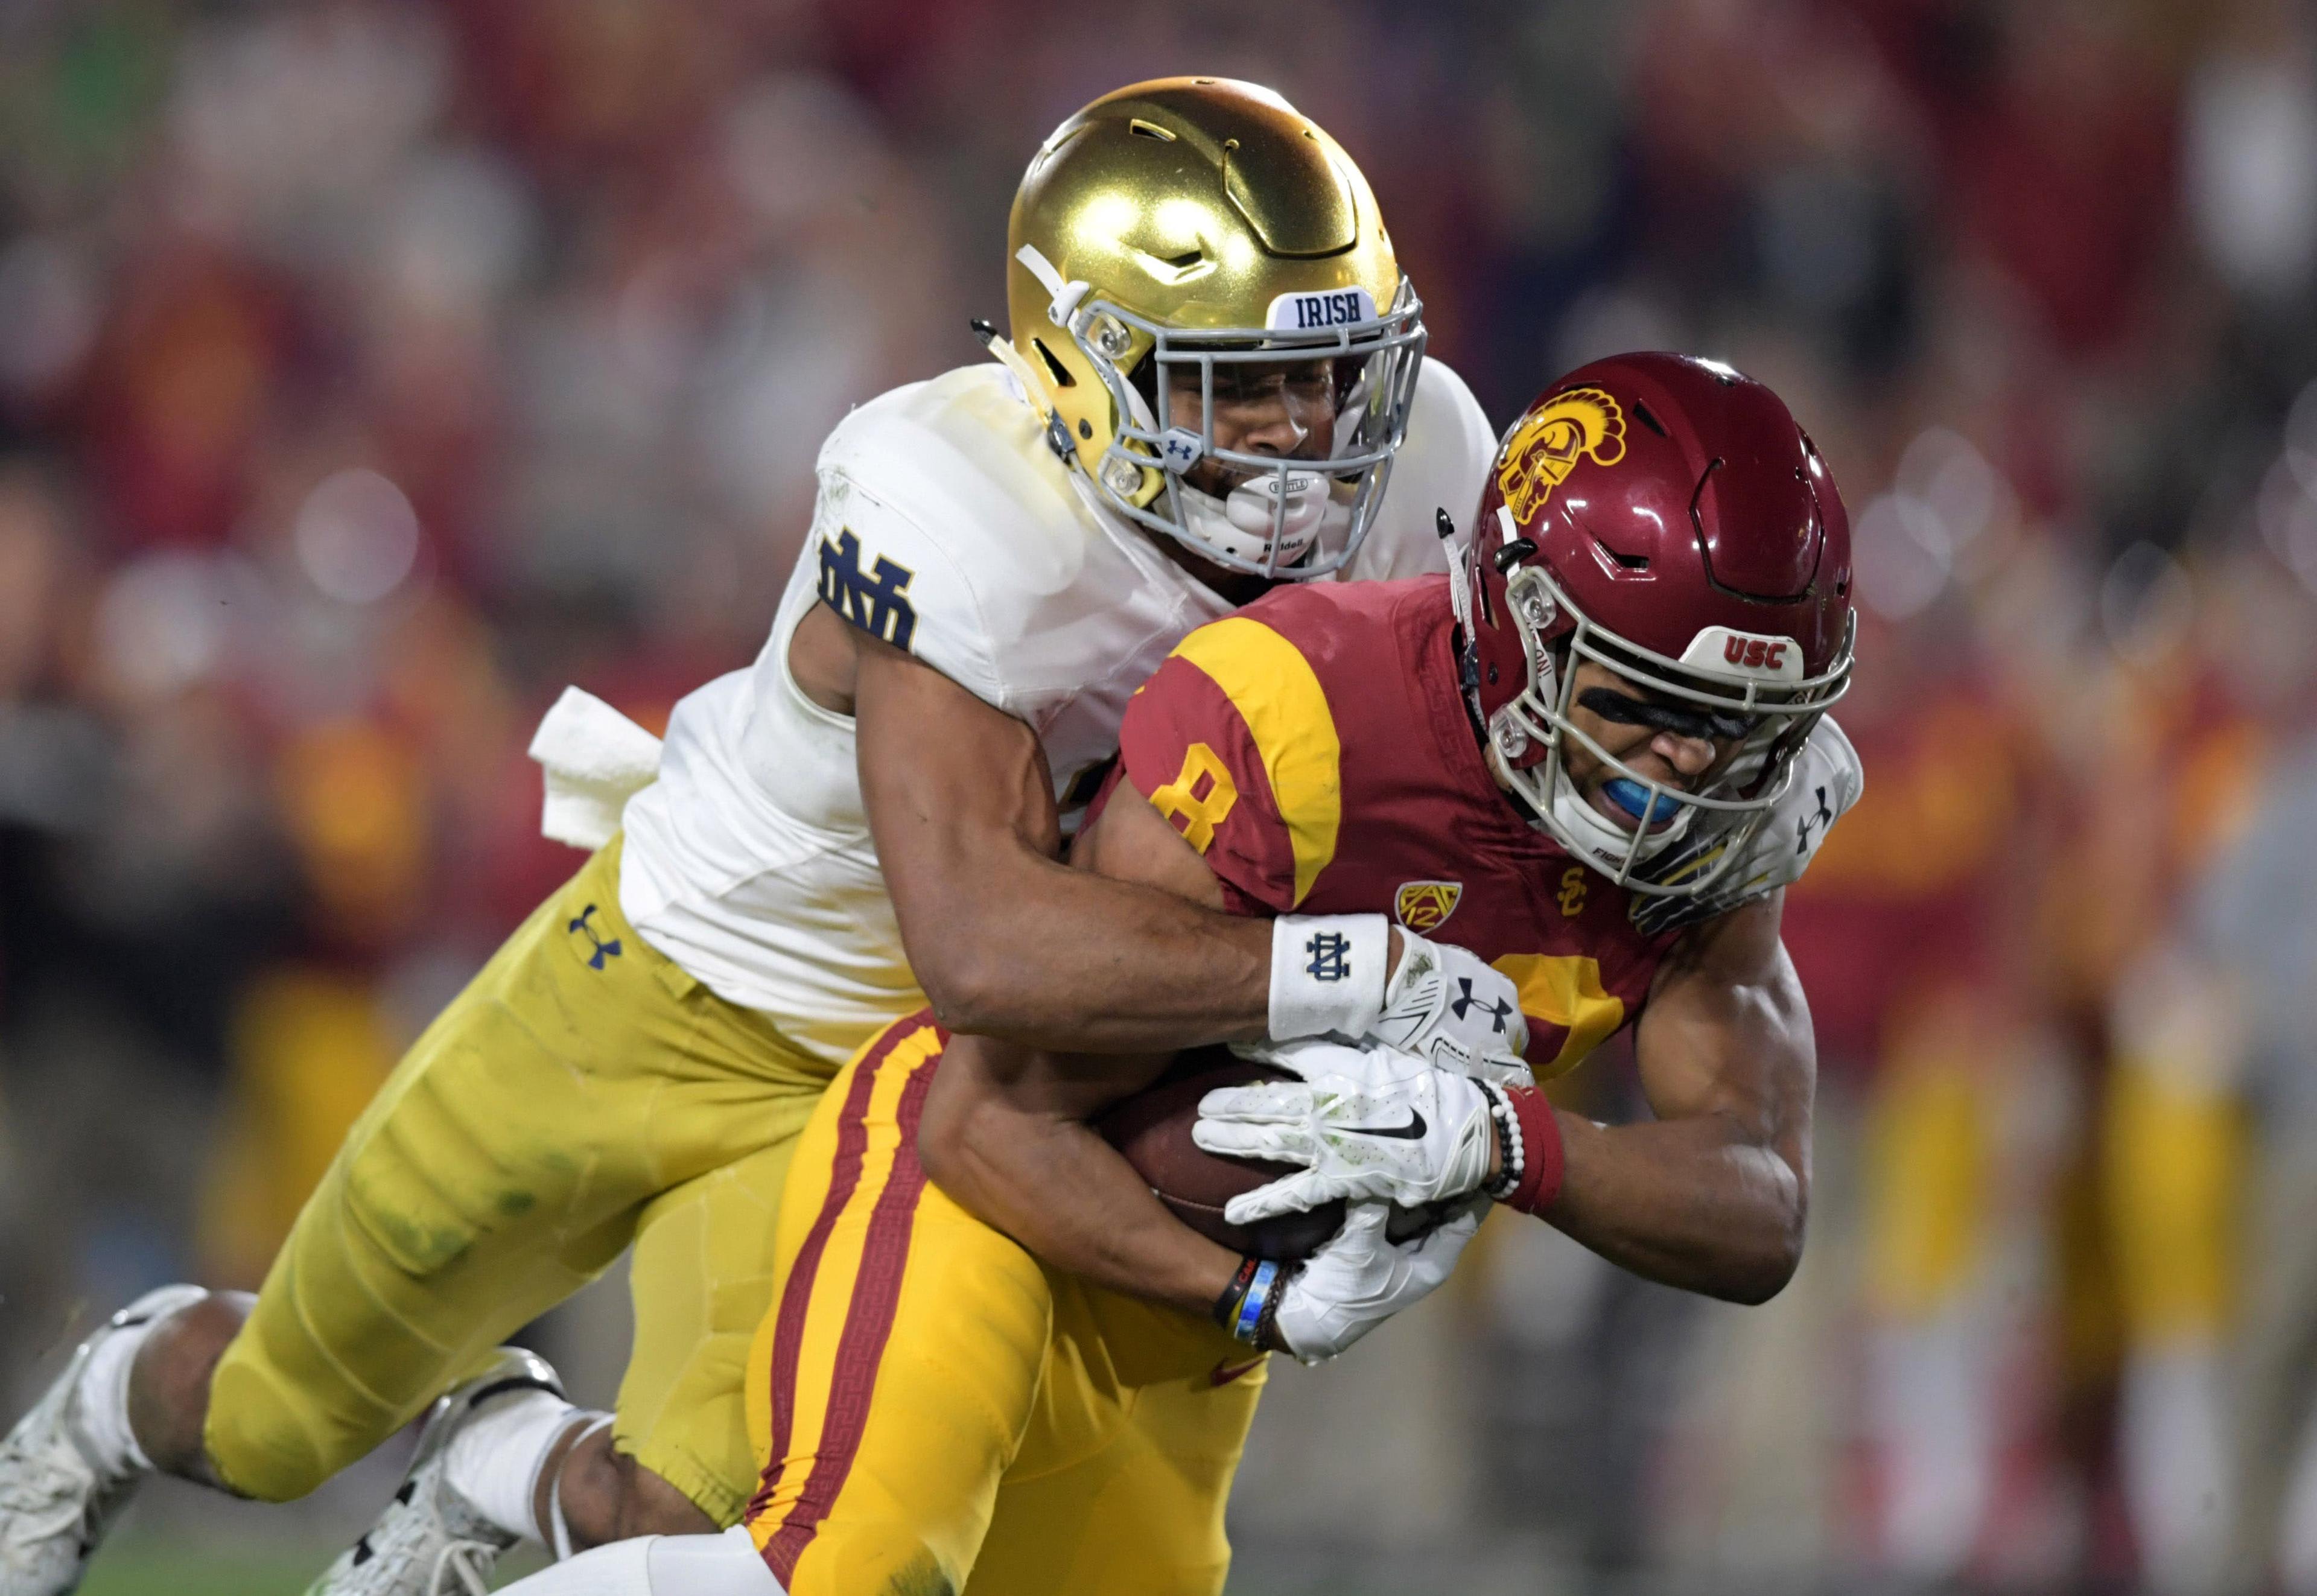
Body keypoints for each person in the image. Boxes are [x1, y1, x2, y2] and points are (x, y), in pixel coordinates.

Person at [0, 78, 1524, 1596]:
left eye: (1333, 376)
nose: (1305, 436)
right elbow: (987, 944)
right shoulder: (958, 491)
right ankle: (103, 1405)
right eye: (1235, 387)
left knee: (724, 1534)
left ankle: (501, 1462)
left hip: (880, 1077)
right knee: (279, 1418)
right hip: (661, 978)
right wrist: (1356, 972)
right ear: (1077, 359)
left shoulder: (1433, 467)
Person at [490, 352, 1863, 1595]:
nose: (1681, 774)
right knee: (844, 1579)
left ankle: (501, 1474)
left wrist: (1515, 1144)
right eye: (1639, 702)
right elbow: (989, 1115)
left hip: (1185, 1329)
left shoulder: (1727, 820)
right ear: (1517, 618)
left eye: (1738, 730)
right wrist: (1262, 1262)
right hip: (996, 1197)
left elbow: (1761, 1207)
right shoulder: (1301, 710)